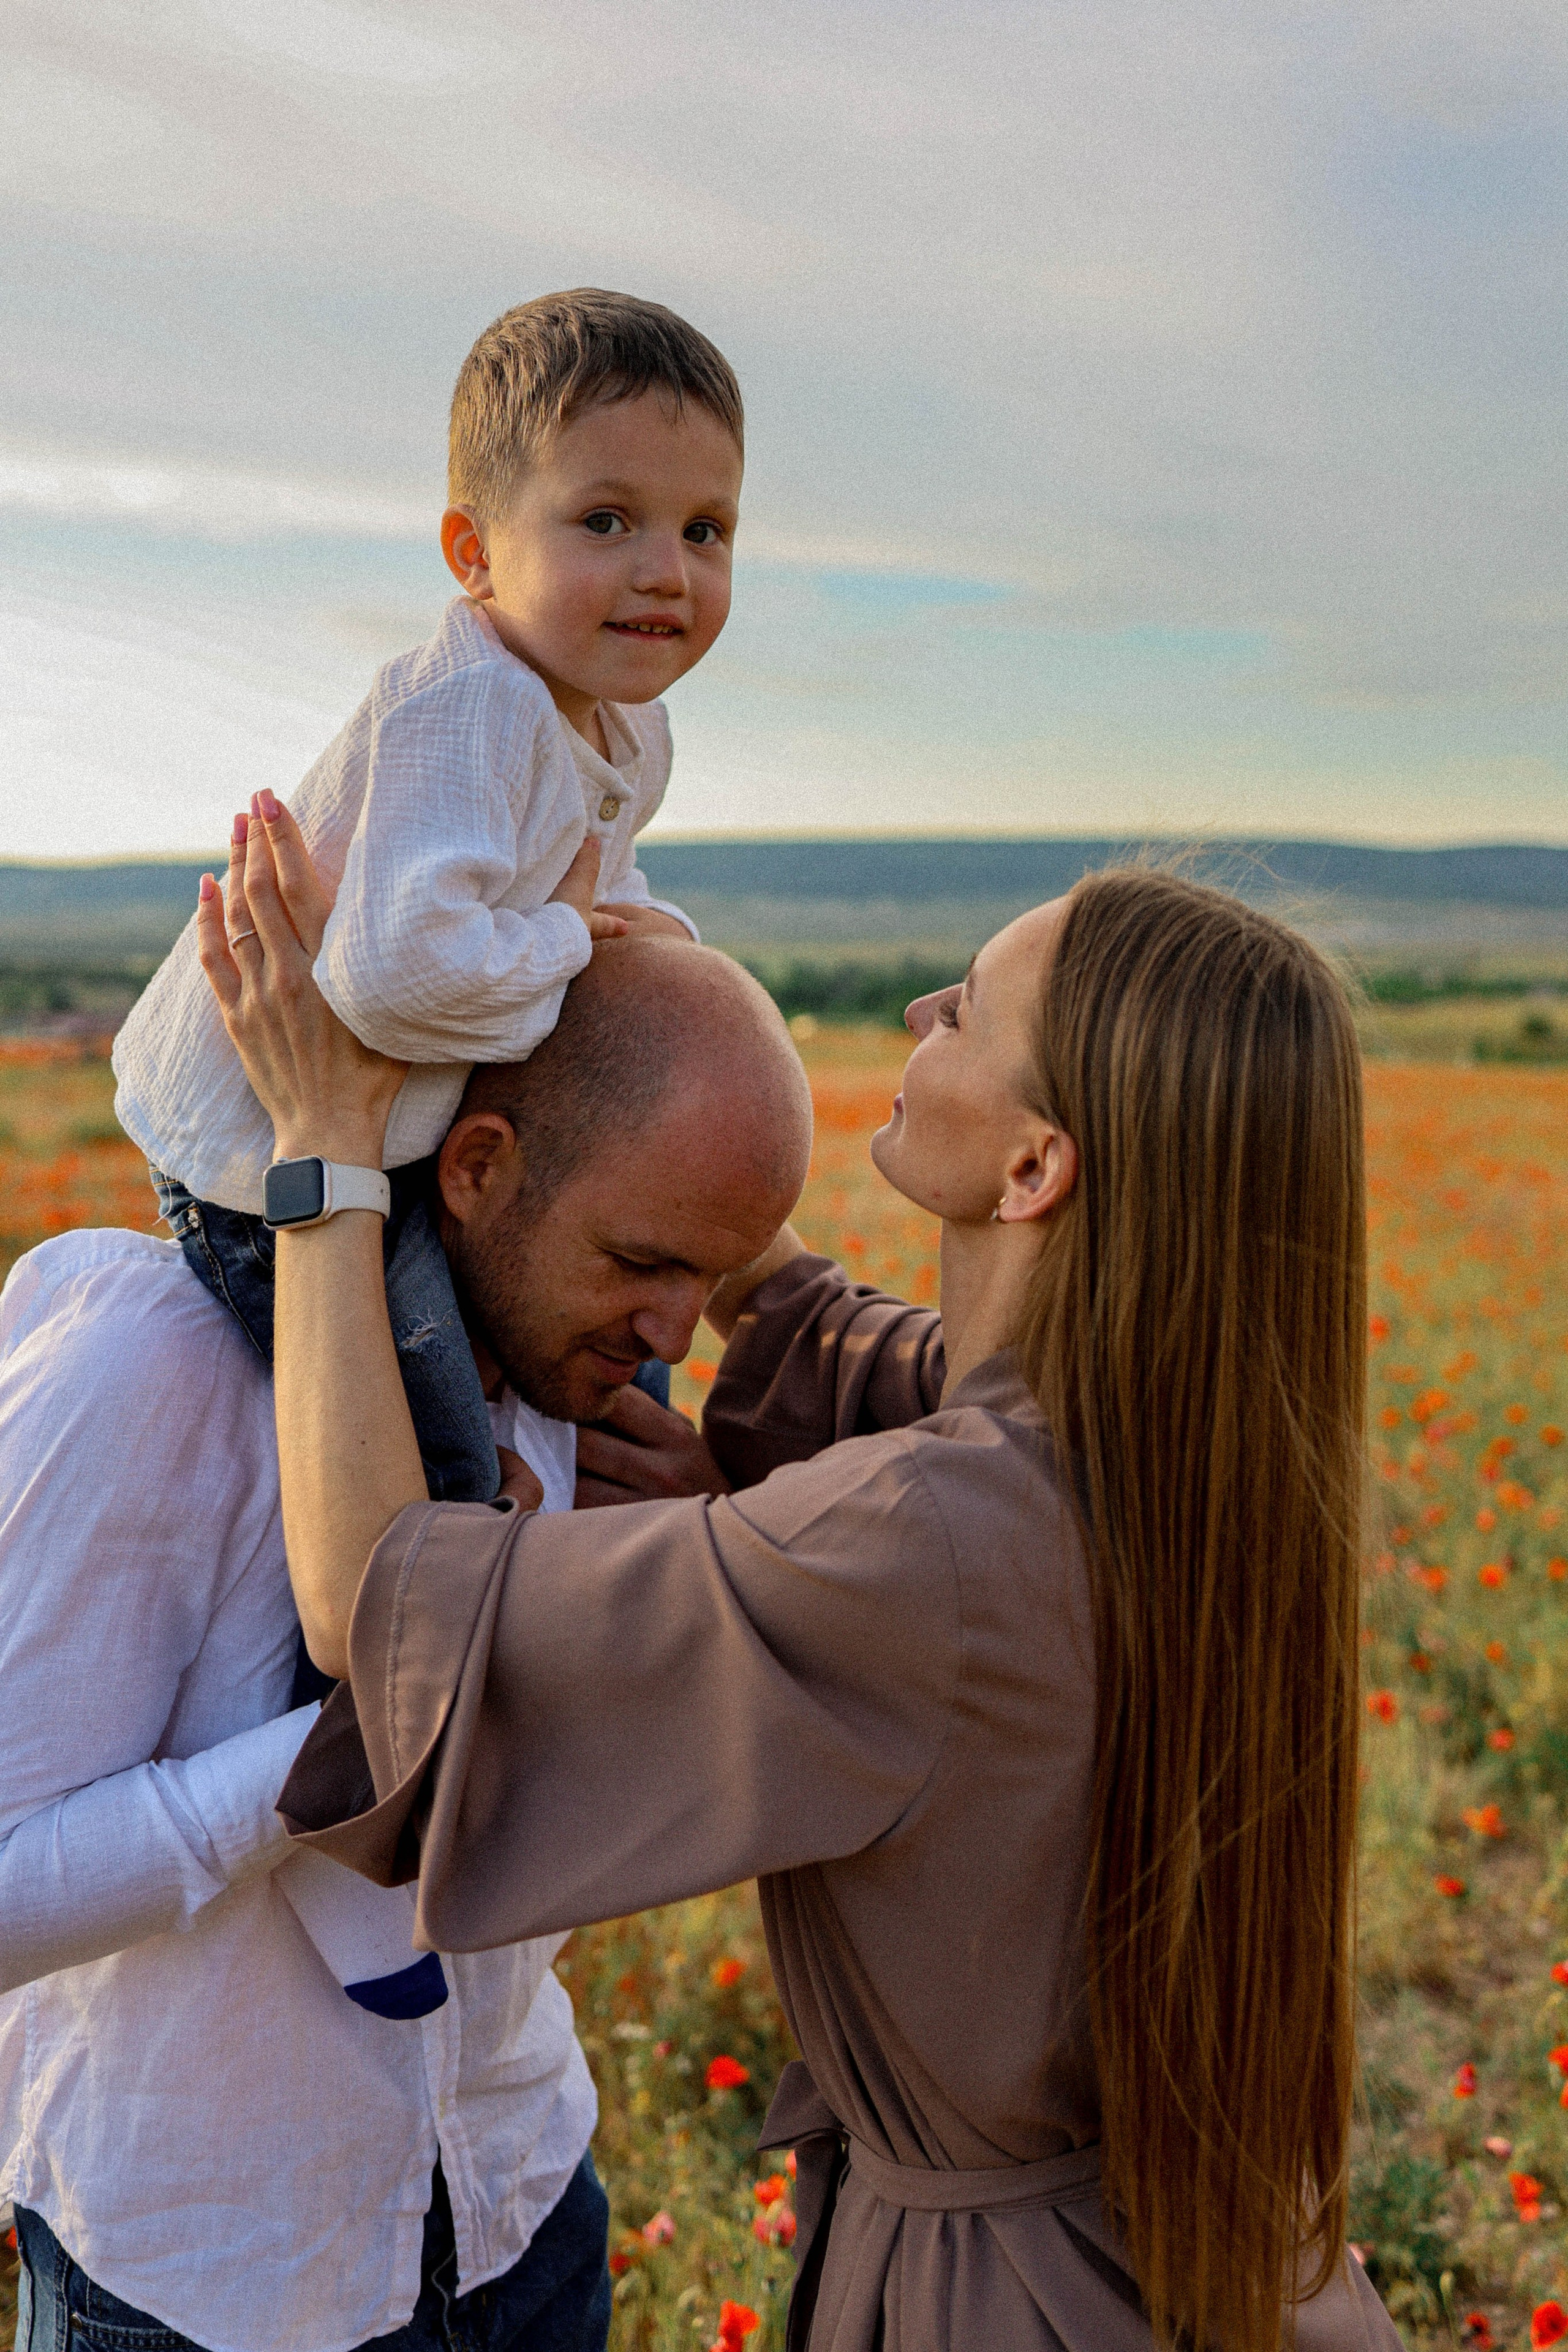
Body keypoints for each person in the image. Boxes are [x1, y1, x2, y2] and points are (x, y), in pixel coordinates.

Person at [203, 804, 1402, 2352]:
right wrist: (680, 1050)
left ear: (1032, 1166)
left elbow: (376, 1597)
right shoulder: (1189, 1442)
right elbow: (850, 1352)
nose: (917, 1012)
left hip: (996, 2310)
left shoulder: (924, 1539)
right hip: (1193, 2262)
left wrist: (321, 1148)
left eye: (965, 1011)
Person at [0, 932, 809, 2352]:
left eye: (709, 1277)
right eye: (641, 1262)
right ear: (478, 1165)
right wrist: (370, 1728)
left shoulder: (585, 1396)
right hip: (218, 2277)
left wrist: (663, 1588)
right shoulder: (149, 1367)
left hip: (522, 2202)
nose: (676, 1331)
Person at [111, 288, 745, 1499]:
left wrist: (651, 942)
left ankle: (594, 1563)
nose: (667, 572)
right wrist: (566, 942)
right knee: (436, 1452)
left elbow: (595, 884)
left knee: (611, 1376)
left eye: (705, 530)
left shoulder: (624, 722)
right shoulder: (472, 709)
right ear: (474, 553)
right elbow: (399, 975)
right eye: (605, 520)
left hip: (395, 1132)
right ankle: (443, 1590)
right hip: (260, 1156)